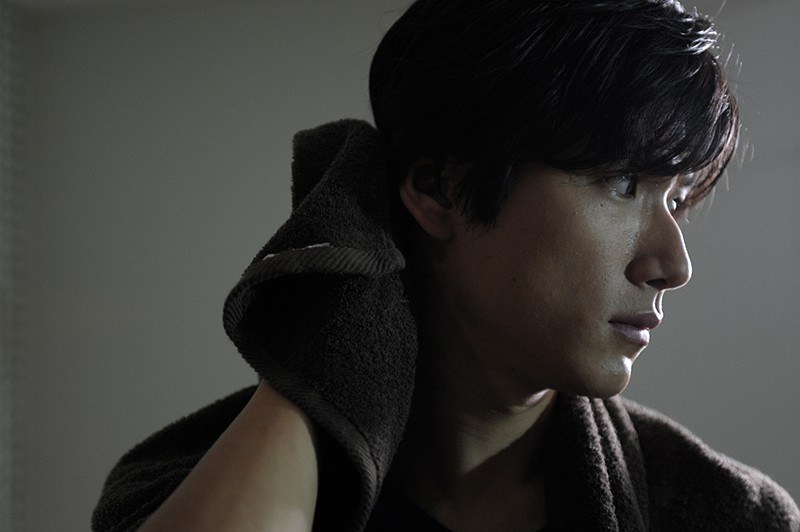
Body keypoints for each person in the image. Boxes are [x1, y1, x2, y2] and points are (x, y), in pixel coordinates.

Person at [93, 1, 800, 531]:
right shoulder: (183, 484)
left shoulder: (728, 514)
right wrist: (323, 318)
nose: (673, 264)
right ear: (440, 189)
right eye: (621, 183)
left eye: (676, 200)